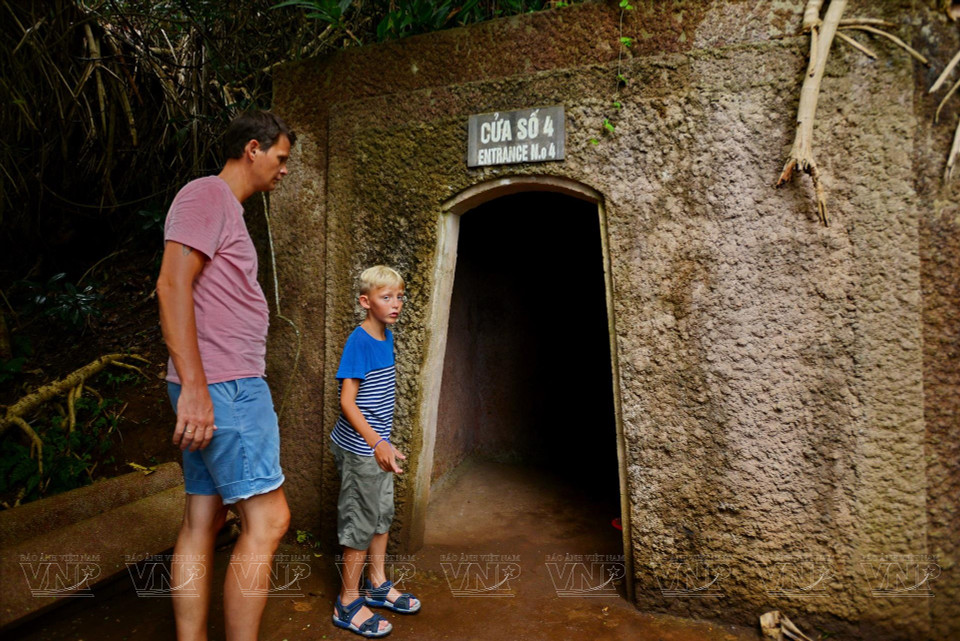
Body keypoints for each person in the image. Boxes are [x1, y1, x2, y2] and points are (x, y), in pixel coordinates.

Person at [156, 110, 295, 641]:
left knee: (203, 518)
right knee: (270, 520)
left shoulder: (226, 210)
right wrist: (195, 388)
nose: (284, 170)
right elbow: (171, 287)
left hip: (214, 383)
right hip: (223, 386)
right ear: (253, 149)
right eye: (281, 158)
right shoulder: (207, 197)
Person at [330, 265, 421, 638]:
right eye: (387, 297)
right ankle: (348, 601)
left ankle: (377, 584)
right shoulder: (360, 341)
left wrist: (384, 442)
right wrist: (377, 442)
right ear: (365, 302)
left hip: (377, 448)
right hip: (360, 450)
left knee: (382, 514)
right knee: (360, 522)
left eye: (399, 296)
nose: (396, 303)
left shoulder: (386, 336)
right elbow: (347, 403)